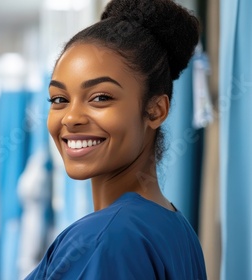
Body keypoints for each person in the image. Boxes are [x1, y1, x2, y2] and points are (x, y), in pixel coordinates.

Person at [25, 0, 207, 279]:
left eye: (100, 97)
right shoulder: (176, 228)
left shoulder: (101, 240)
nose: (71, 118)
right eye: (59, 99)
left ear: (155, 110)